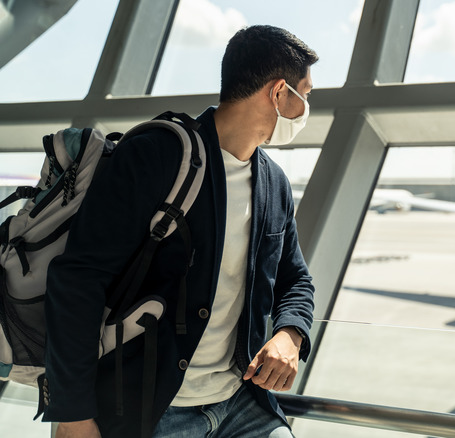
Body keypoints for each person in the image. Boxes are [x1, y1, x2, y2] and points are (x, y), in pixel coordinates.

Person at [42, 25, 317, 438]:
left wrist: (290, 333)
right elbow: (78, 280)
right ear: (279, 93)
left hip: (242, 403)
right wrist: (73, 414)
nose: (306, 109)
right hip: (151, 410)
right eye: (306, 95)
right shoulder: (157, 156)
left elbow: (295, 278)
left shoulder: (273, 183)